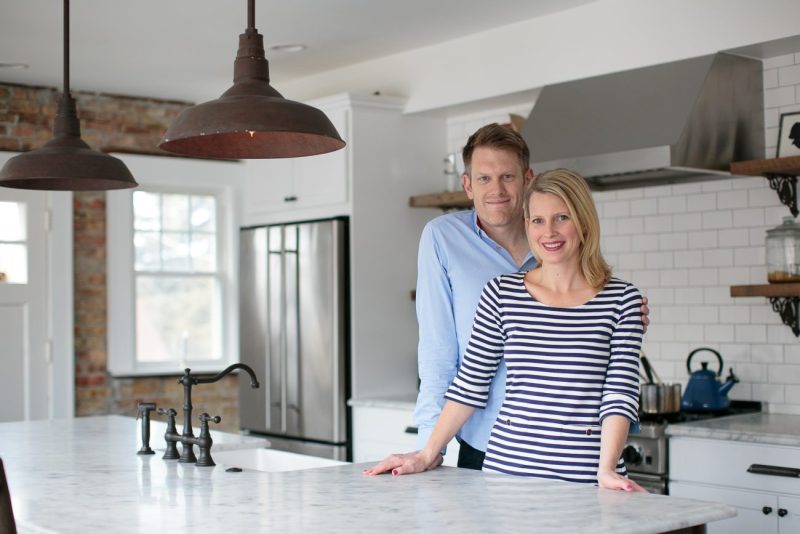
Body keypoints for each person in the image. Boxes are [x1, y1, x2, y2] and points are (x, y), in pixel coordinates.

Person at [365, 168, 646, 491]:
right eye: (537, 220)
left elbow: (619, 395)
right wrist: (427, 452)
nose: (549, 232)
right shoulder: (501, 293)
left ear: (583, 222)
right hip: (507, 472)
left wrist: (607, 470)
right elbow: (470, 383)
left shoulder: (623, 299)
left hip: (586, 475)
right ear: (527, 225)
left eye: (562, 218)